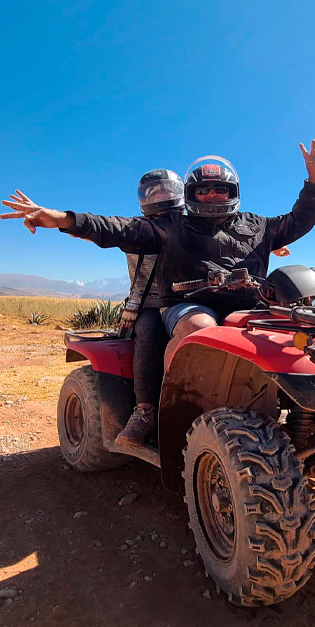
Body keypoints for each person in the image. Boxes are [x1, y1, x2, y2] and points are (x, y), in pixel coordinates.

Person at [0, 140, 315, 448]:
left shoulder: (258, 225)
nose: (213, 195)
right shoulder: (171, 225)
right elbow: (116, 228)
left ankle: (312, 412)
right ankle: (175, 411)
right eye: (203, 190)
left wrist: (314, 183)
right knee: (201, 330)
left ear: (233, 192)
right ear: (191, 194)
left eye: (220, 189)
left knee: (299, 331)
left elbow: (299, 219)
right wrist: (62, 219)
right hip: (188, 305)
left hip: (247, 307)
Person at [116, 169, 184, 446]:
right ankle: (144, 412)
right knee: (150, 333)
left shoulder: (192, 226)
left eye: (165, 190)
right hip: (150, 304)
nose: (160, 195)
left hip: (187, 303)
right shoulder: (136, 229)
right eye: (152, 191)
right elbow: (102, 231)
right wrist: (63, 222)